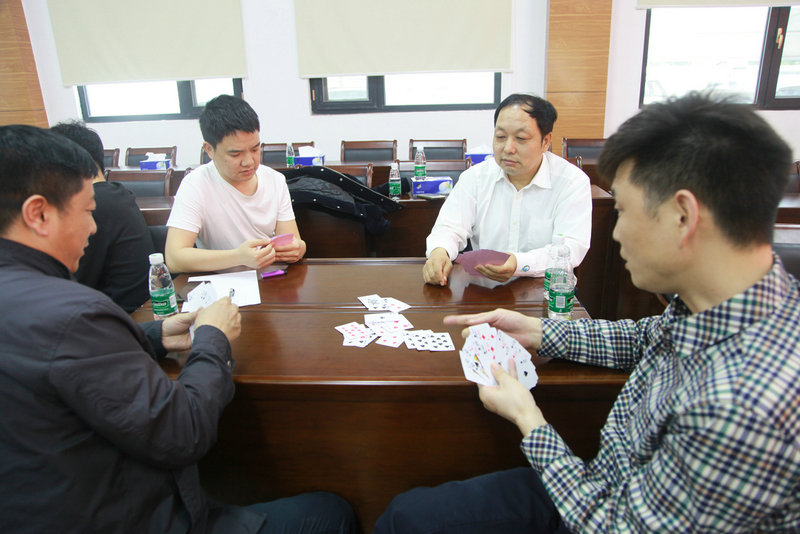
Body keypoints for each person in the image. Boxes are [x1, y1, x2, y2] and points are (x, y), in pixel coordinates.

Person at [376, 93, 800, 532]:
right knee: (409, 511)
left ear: (683, 215)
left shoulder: (744, 406)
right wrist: (539, 331)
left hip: (600, 508)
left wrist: (529, 418)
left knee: (406, 520)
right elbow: (643, 338)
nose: (616, 234)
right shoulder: (723, 305)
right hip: (606, 480)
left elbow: (615, 527)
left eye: (623, 212)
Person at [0, 124, 356, 533]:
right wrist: (212, 337)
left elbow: (60, 361)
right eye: (87, 212)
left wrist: (152, 336)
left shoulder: (35, 303)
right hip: (133, 516)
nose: (94, 227)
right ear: (38, 214)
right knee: (331, 513)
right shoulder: (75, 314)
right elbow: (183, 432)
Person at [423, 93, 592, 286]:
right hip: (484, 291)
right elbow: (450, 227)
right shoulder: (475, 178)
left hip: (545, 292)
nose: (508, 148)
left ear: (546, 141)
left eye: (521, 138)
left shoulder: (571, 182)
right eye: (501, 137)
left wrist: (518, 263)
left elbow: (570, 249)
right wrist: (440, 251)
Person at [166, 95, 306, 273]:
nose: (249, 162)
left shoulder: (275, 180)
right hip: (223, 283)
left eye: (255, 149)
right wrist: (238, 257)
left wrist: (299, 248)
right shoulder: (196, 185)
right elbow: (174, 258)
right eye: (235, 154)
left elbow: (292, 240)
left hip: (272, 279)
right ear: (209, 149)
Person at [50, 120, 155, 312]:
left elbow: (74, 283)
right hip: (130, 307)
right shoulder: (115, 193)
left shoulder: (92, 206)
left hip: (119, 313)